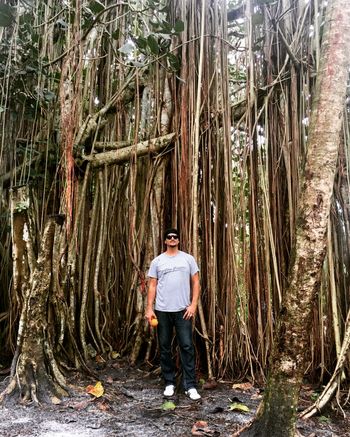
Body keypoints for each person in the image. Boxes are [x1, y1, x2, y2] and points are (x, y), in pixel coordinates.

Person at [145, 228, 201, 400]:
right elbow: (152, 285)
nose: (172, 239)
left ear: (178, 240)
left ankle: (190, 385)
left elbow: (196, 282)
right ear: (165, 241)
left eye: (175, 237)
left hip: (183, 310)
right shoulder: (157, 261)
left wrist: (193, 305)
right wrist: (149, 308)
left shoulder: (188, 259)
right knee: (164, 347)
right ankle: (169, 382)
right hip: (162, 310)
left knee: (186, 346)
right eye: (169, 237)